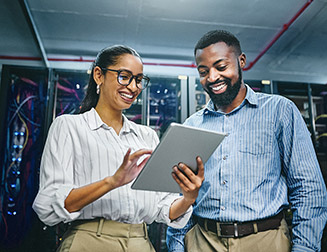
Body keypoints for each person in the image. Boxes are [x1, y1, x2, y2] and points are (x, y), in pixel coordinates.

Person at [166, 30, 327, 252]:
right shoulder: (192, 125)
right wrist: (176, 247)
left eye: (221, 67)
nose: (212, 77)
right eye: (204, 71)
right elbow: (181, 197)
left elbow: (308, 190)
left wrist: (305, 248)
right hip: (203, 241)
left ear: (241, 61)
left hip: (265, 241)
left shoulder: (280, 111)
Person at [32, 45, 204, 252]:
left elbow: (163, 208)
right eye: (125, 77)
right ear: (99, 75)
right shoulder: (69, 127)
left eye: (139, 80)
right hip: (89, 241)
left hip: (140, 242)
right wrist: (112, 182)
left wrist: (188, 197)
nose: (133, 87)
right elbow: (49, 206)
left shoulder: (147, 136)